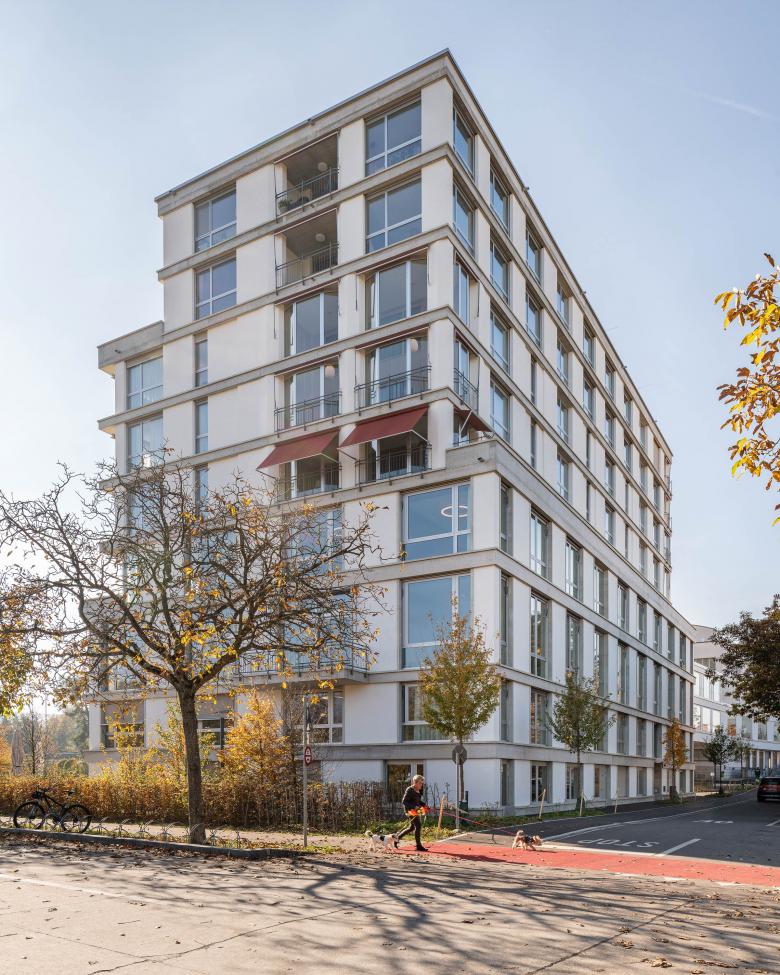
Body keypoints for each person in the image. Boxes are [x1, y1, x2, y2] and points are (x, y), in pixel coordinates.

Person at [395, 774, 428, 851]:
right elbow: (404, 802)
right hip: (409, 810)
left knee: (411, 828)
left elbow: (418, 801)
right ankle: (418, 846)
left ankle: (396, 838)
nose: (421, 785)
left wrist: (424, 805)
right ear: (415, 782)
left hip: (415, 810)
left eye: (422, 783)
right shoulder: (409, 790)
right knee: (418, 825)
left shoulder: (418, 790)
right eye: (420, 783)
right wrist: (414, 807)